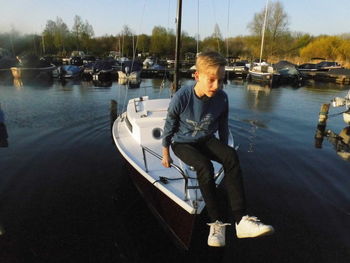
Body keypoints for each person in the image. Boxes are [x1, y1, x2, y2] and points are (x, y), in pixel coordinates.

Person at [161, 51, 274, 247]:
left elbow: (223, 126)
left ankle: (241, 221)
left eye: (221, 81)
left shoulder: (222, 98)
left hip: (205, 139)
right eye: (212, 80)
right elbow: (169, 125)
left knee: (231, 156)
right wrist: (165, 153)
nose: (217, 86)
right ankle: (217, 224)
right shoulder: (182, 97)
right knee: (205, 166)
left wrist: (224, 152)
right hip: (182, 143)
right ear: (197, 76)